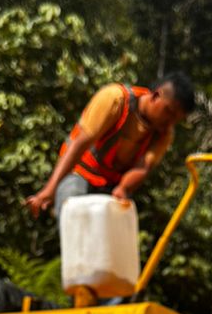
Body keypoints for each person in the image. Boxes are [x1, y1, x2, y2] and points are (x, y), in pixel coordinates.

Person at [25, 72, 195, 220]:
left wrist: (123, 189)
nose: (169, 122)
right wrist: (49, 191)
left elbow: (143, 167)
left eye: (176, 119)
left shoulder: (164, 133)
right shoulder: (116, 99)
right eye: (169, 112)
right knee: (74, 211)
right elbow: (80, 143)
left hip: (109, 186)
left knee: (116, 227)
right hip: (79, 172)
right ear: (156, 96)